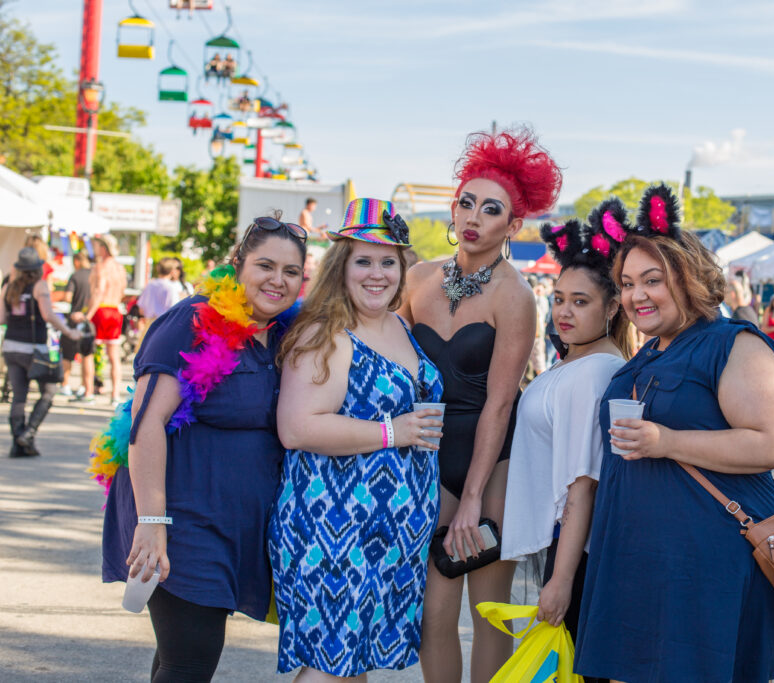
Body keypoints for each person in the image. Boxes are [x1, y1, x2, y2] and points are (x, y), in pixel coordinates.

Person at [575, 185, 774, 682]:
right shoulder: (652, 350)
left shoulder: (732, 343)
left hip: (707, 567)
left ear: (690, 276)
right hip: (643, 562)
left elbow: (767, 444)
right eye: (628, 283)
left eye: (652, 280)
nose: (636, 295)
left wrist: (667, 441)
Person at [98, 215, 306, 682]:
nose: (278, 280)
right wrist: (152, 523)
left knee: (179, 658)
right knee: (190, 659)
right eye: (265, 266)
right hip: (182, 518)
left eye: (291, 272)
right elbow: (146, 422)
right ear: (237, 265)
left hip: (233, 525)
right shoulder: (193, 321)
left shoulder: (278, 335)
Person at [401, 126, 562, 682]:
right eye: (466, 202)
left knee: (488, 615)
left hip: (493, 464)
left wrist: (471, 498)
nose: (473, 217)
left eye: (490, 209)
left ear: (513, 226)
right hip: (424, 451)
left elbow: (499, 404)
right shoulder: (416, 279)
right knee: (432, 615)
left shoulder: (514, 296)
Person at [270, 199, 444, 679]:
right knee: (330, 666)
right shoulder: (325, 332)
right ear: (340, 267)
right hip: (333, 530)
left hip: (390, 536)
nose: (377, 273)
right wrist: (395, 431)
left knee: (352, 665)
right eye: (362, 260)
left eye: (388, 261)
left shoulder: (400, 326)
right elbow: (297, 427)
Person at [502, 202, 630, 676]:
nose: (564, 311)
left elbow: (583, 484)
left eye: (581, 302)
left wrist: (560, 579)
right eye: (558, 299)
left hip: (574, 550)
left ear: (612, 307)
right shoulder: (577, 361)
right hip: (565, 546)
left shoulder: (595, 371)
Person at [1, 248, 82, 457]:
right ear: (37, 269)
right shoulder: (39, 286)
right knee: (48, 391)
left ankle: (18, 444)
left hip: (11, 346)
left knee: (19, 397)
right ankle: (27, 434)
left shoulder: (9, 287)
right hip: (34, 349)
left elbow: (1, 317)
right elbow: (48, 314)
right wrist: (69, 332)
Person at [84, 235, 127, 403]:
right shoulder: (120, 269)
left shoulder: (100, 267)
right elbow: (122, 292)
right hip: (115, 310)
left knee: (90, 352)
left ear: (103, 249)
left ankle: (90, 390)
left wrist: (88, 315)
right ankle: (115, 394)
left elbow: (98, 292)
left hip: (100, 310)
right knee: (114, 355)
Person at [58, 250, 96, 402]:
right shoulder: (95, 276)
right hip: (89, 321)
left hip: (74, 319)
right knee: (88, 356)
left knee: (67, 354)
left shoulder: (75, 276)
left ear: (77, 261)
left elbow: (67, 297)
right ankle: (87, 388)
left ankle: (65, 385)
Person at [137, 258, 181, 333]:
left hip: (149, 324)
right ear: (171, 271)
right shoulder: (171, 287)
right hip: (163, 325)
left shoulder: (150, 284)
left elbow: (141, 307)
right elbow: (174, 308)